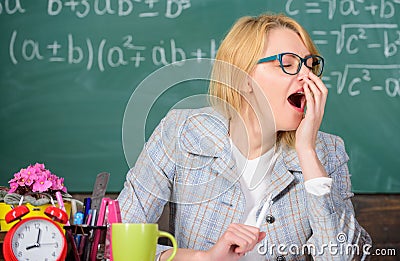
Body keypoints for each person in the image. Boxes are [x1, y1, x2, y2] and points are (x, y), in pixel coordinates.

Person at [117, 13, 371, 260]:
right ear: (244, 79)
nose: (307, 77)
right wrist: (200, 258)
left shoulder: (327, 151)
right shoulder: (181, 131)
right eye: (288, 64)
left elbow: (341, 256)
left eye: (310, 65)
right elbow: (116, 242)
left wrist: (307, 152)